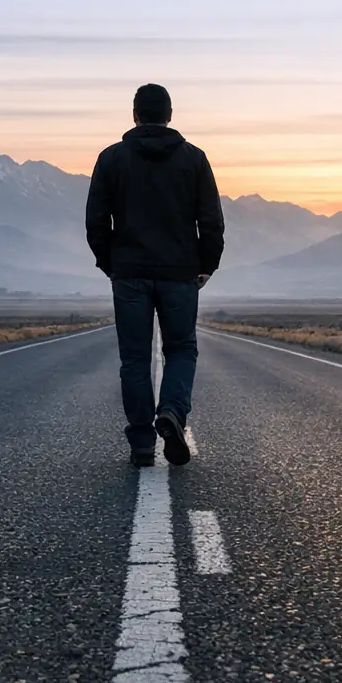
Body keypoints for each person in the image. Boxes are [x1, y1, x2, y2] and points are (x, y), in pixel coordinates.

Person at [85, 83, 225, 467]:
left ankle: (142, 445)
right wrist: (206, 264)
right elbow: (211, 219)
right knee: (181, 349)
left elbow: (96, 221)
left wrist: (110, 263)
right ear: (169, 115)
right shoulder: (194, 160)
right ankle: (172, 413)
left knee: (134, 358)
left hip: (129, 272)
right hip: (180, 274)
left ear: (135, 115)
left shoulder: (111, 159)